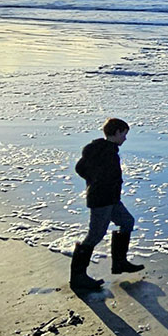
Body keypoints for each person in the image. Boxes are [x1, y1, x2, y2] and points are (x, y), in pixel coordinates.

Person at [70, 117, 143, 294]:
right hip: (102, 200)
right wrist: (97, 183)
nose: (125, 138)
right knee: (95, 235)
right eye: (124, 134)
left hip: (110, 199)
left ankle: (120, 262)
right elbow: (86, 171)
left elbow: (80, 168)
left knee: (127, 222)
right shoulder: (106, 152)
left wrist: (93, 181)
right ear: (117, 132)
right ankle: (78, 277)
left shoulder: (98, 149)